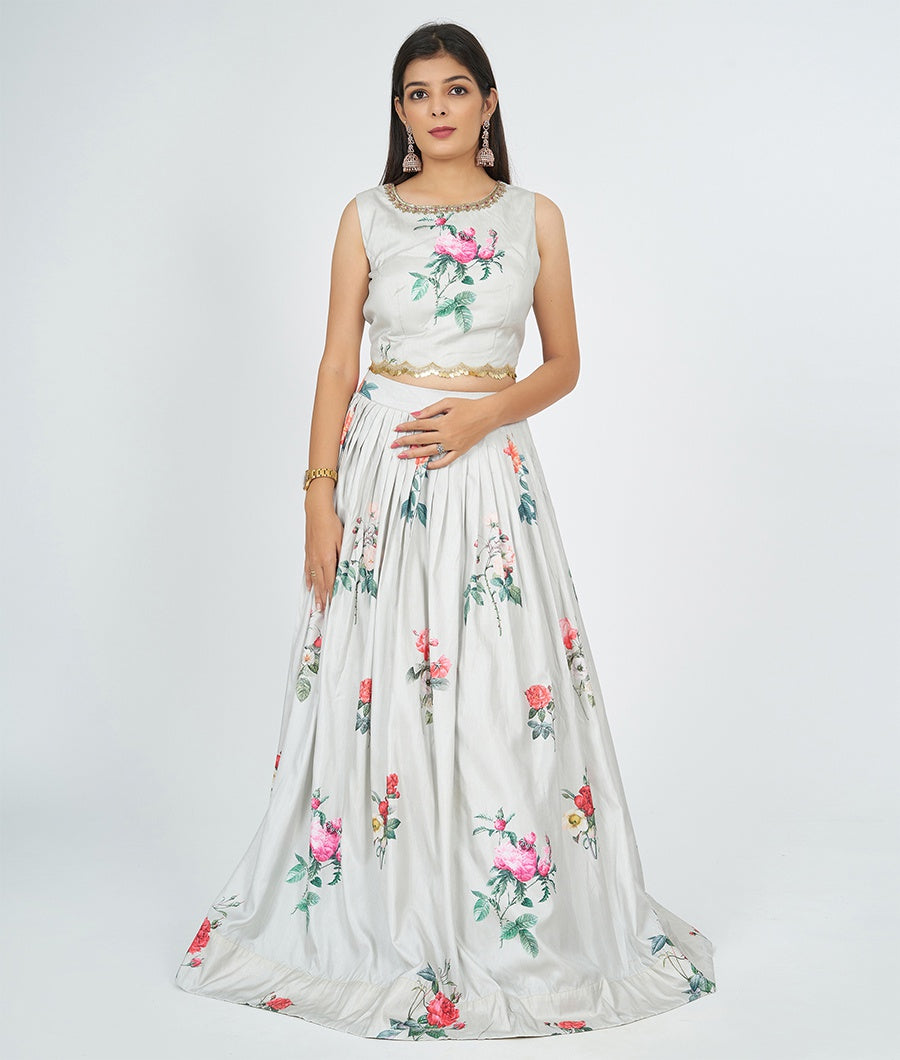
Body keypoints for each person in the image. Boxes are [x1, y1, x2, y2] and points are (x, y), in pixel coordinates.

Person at [173, 21, 717, 1041]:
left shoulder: (535, 216)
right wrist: (317, 498)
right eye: (418, 93)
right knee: (375, 682)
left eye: (455, 89)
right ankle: (381, 906)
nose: (437, 108)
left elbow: (564, 362)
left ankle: (509, 914)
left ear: (488, 102)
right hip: (381, 473)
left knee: (501, 688)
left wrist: (482, 416)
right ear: (400, 110)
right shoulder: (366, 216)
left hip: (490, 477)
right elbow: (338, 364)